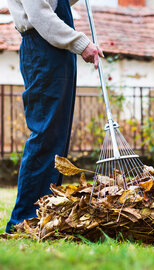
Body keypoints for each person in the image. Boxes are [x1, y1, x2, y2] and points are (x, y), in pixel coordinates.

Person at [5, 0, 103, 233]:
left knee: (57, 138)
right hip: (42, 48)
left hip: (55, 51)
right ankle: (24, 219)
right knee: (45, 135)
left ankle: (45, 213)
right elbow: (40, 16)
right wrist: (82, 43)